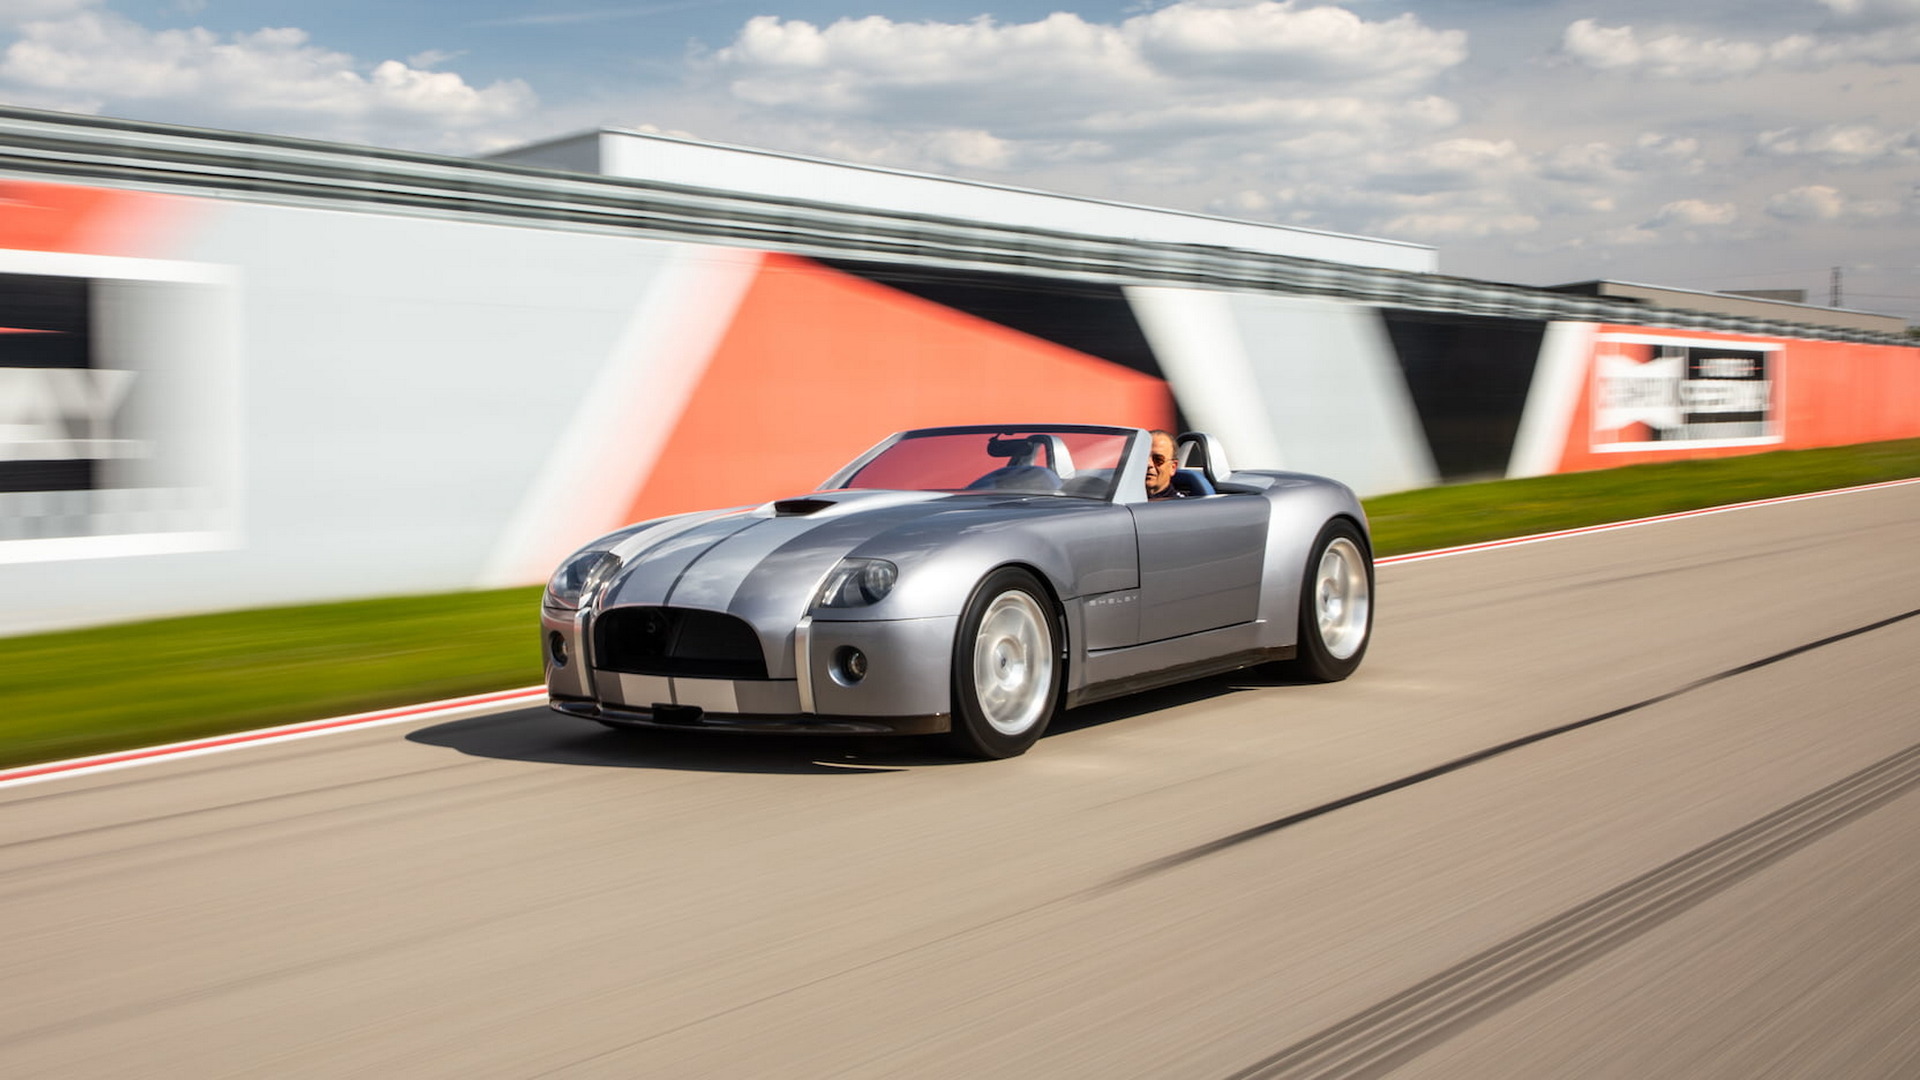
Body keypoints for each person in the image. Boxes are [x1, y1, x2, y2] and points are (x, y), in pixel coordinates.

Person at [1145, 429, 1187, 500]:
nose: (1149, 464)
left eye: (1158, 459)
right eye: (1143, 458)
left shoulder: (1182, 506)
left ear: (1173, 467)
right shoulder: (1122, 500)